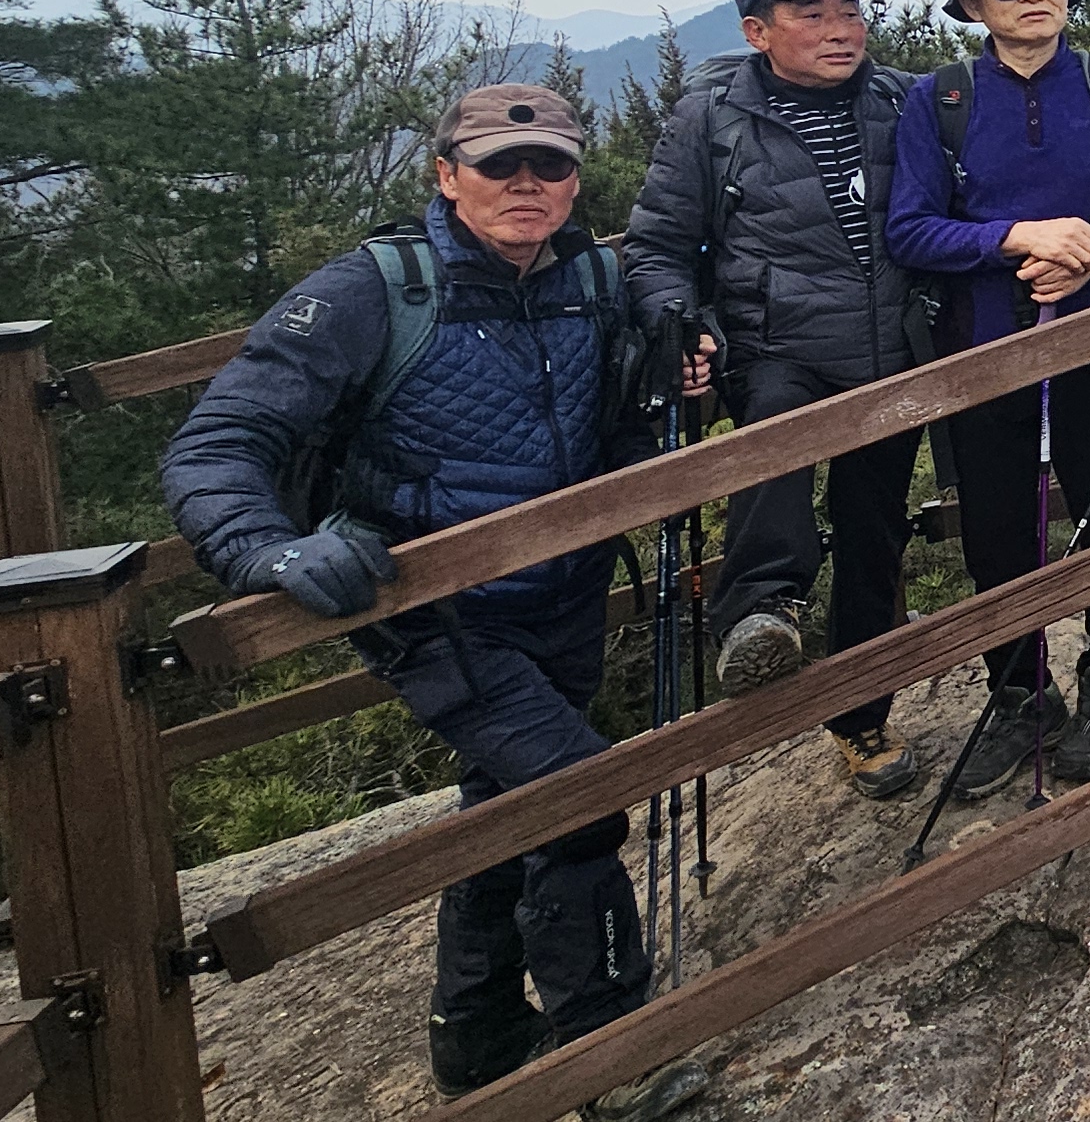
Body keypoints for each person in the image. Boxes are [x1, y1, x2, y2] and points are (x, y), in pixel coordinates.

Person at [161, 85, 710, 1118]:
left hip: (565, 587)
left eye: (549, 165)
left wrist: (679, 386)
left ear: (574, 180)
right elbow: (219, 440)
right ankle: (611, 1055)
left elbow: (618, 416)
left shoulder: (594, 277)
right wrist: (264, 548)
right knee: (578, 796)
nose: (526, 183)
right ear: (447, 175)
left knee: (503, 801)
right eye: (500, 164)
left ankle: (476, 1030)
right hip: (433, 607)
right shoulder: (373, 290)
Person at [621, 0, 926, 800]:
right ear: (758, 32)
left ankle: (862, 719)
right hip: (776, 346)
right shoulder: (711, 119)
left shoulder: (901, 100)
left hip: (893, 352)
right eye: (812, 15)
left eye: (849, 11)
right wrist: (676, 321)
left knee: (875, 541)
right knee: (774, 458)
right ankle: (759, 611)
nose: (840, 30)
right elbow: (656, 245)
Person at [887, 0, 1090, 797]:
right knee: (996, 533)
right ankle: (1020, 696)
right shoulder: (939, 100)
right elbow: (910, 228)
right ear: (973, 3)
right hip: (984, 349)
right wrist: (1019, 237)